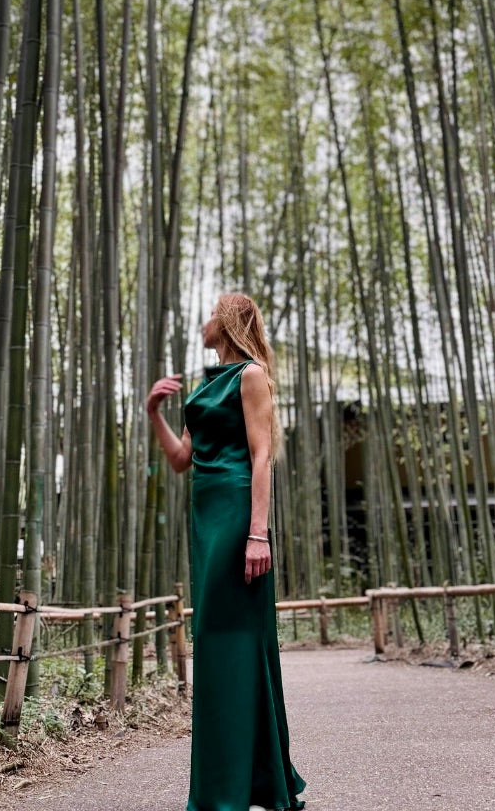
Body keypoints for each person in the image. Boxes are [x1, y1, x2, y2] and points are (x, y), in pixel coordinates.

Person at [147, 292, 306, 811]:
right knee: (215, 644)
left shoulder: (250, 376)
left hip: (238, 512)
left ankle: (234, 789)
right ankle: (247, 781)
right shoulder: (205, 385)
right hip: (206, 517)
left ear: (230, 322)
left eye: (212, 313)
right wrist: (153, 412)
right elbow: (181, 459)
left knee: (236, 642)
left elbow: (262, 457)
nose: (204, 321)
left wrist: (258, 534)